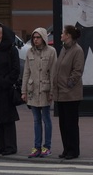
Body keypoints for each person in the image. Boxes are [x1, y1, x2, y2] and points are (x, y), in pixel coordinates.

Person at [21, 27, 56, 158]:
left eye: (38, 37)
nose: (35, 40)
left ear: (43, 38)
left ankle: (47, 146)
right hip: (33, 90)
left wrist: (52, 91)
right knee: (36, 120)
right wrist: (23, 91)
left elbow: (53, 73)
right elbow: (26, 72)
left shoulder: (51, 52)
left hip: (45, 90)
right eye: (34, 38)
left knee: (46, 118)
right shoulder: (30, 52)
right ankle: (36, 147)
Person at [51, 25, 84, 160]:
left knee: (71, 124)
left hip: (71, 94)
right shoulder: (64, 49)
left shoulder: (77, 51)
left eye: (63, 33)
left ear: (69, 35)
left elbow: (77, 71)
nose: (61, 35)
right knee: (63, 124)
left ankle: (73, 150)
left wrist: (68, 84)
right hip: (61, 94)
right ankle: (66, 149)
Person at [0, 25, 21, 157]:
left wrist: (5, 82)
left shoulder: (12, 50)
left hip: (6, 90)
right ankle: (0, 146)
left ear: (4, 35)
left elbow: (15, 70)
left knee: (7, 119)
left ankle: (10, 146)